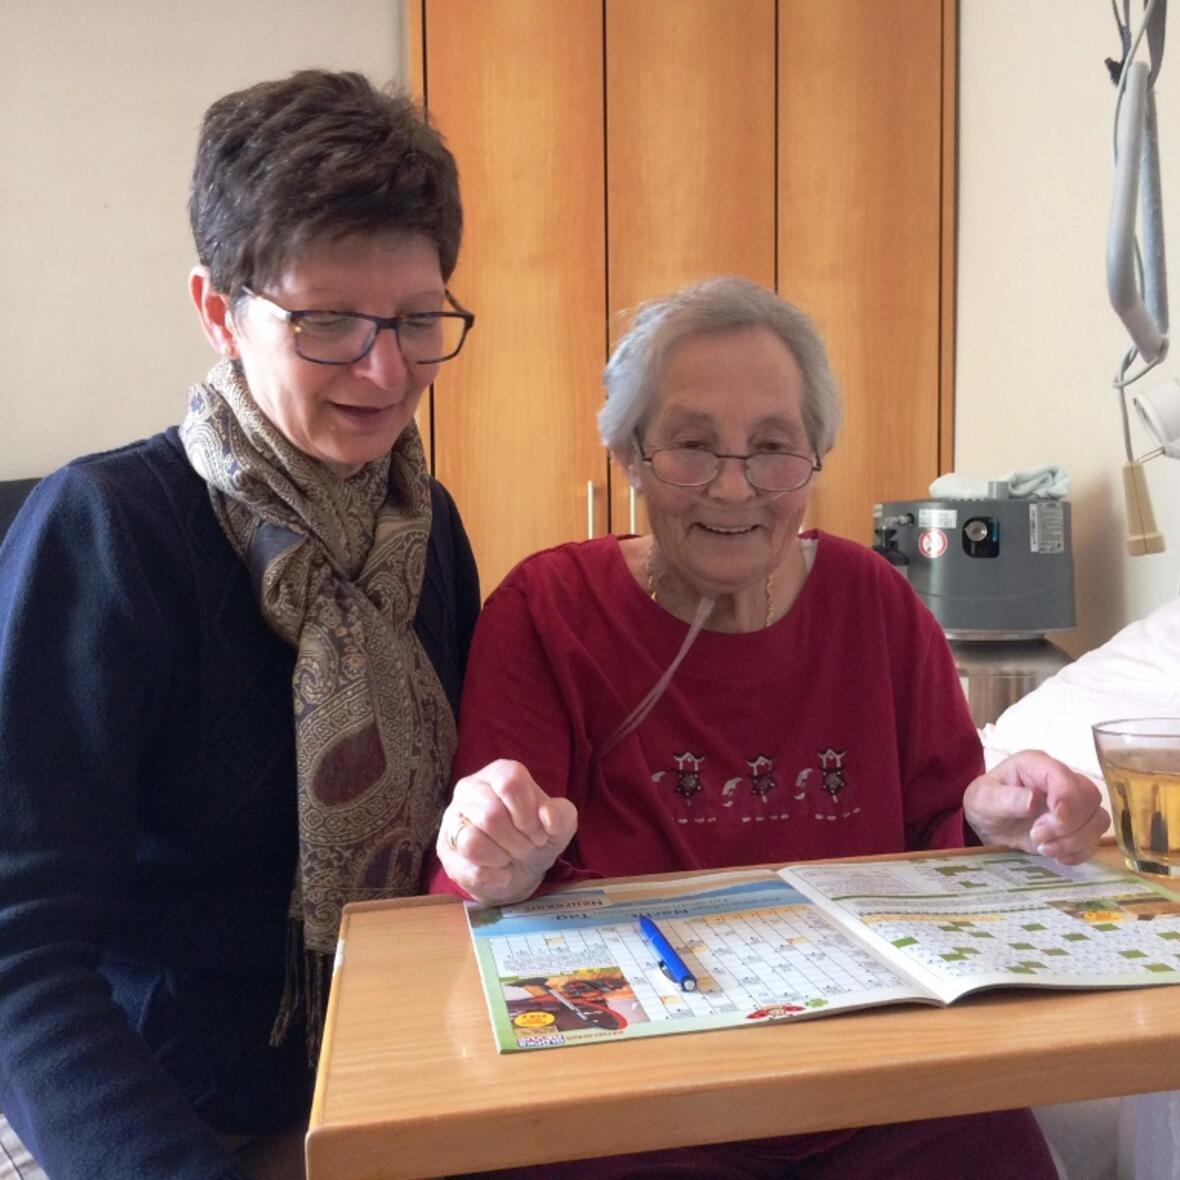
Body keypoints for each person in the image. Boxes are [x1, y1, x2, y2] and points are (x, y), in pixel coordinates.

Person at [430, 276, 1110, 1178]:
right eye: (691, 446)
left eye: (773, 448)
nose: (734, 486)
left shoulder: (874, 601)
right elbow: (482, 883)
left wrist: (993, 822)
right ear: (630, 458)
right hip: (637, 1100)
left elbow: (938, 834)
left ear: (816, 458)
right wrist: (491, 857)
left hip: (873, 1088)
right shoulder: (548, 610)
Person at [0, 71, 480, 1180]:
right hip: (178, 1119)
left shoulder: (424, 525)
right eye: (327, 322)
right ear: (219, 308)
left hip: (396, 1077)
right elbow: (21, 950)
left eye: (417, 319)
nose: (385, 367)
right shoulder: (109, 532)